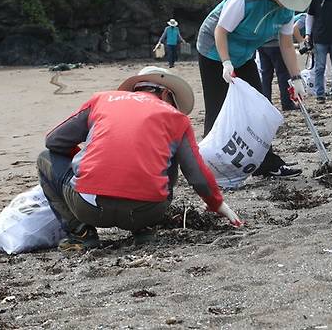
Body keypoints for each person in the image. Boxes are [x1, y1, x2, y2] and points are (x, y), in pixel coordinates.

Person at [38, 66, 242, 251]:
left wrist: (83, 159)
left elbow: (53, 142)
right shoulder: (177, 118)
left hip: (89, 207)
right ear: (165, 93)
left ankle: (81, 233)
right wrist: (216, 204)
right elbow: (196, 174)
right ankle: (145, 229)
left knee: (44, 158)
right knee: (167, 153)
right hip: (147, 211)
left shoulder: (101, 100)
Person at [196, 0, 311, 178]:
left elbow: (286, 44)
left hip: (245, 55)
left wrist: (296, 78)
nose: (289, 3)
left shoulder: (286, 11)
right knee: (218, 106)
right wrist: (226, 62)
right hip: (214, 52)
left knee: (258, 106)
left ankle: (265, 163)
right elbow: (220, 31)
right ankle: (207, 166)